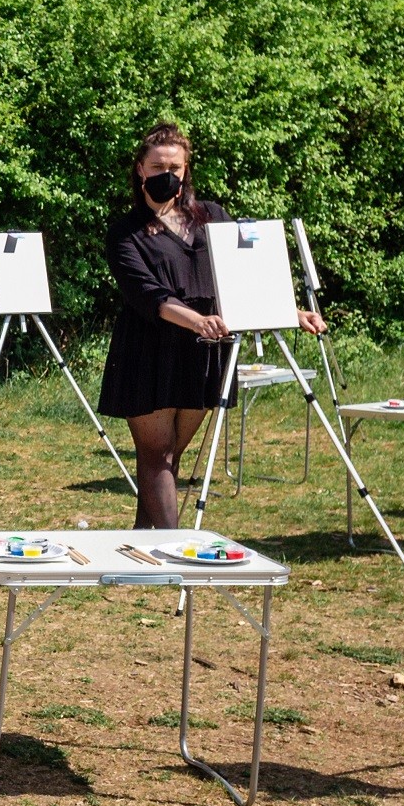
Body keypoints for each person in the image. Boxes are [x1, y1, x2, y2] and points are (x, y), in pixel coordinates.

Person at [96, 123, 325, 529]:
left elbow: (243, 276)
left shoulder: (212, 217)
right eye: (157, 166)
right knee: (156, 454)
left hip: (205, 350)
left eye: (175, 167)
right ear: (140, 170)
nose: (167, 174)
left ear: (186, 169)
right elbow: (148, 294)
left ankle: (143, 537)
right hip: (149, 349)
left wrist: (292, 312)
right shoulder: (124, 233)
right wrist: (196, 320)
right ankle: (171, 546)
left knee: (171, 455)